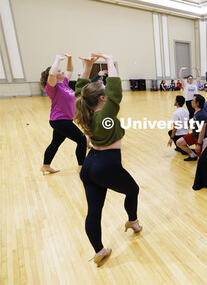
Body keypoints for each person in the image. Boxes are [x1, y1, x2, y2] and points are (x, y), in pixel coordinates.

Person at [74, 53, 141, 267]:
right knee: (133, 190)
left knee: (94, 211)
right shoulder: (106, 115)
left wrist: (89, 66)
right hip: (106, 165)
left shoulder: (83, 110)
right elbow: (115, 91)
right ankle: (133, 221)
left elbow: (80, 89)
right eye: (104, 93)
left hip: (89, 165)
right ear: (102, 99)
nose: (106, 93)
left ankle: (99, 251)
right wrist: (110, 61)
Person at [40, 53, 87, 175]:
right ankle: (82, 167)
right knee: (82, 140)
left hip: (64, 120)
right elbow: (51, 74)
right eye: (59, 71)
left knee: (55, 143)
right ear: (54, 75)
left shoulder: (64, 84)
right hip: (60, 121)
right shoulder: (52, 87)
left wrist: (70, 59)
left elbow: (70, 69)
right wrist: (57, 59)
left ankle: (46, 166)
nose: (62, 72)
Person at [175, 94, 207, 161]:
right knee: (179, 142)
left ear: (197, 103)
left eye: (193, 100)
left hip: (200, 139)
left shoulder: (201, 115)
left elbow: (202, 131)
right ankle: (193, 155)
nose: (191, 102)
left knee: (202, 159)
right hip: (194, 135)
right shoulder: (196, 112)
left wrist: (198, 144)